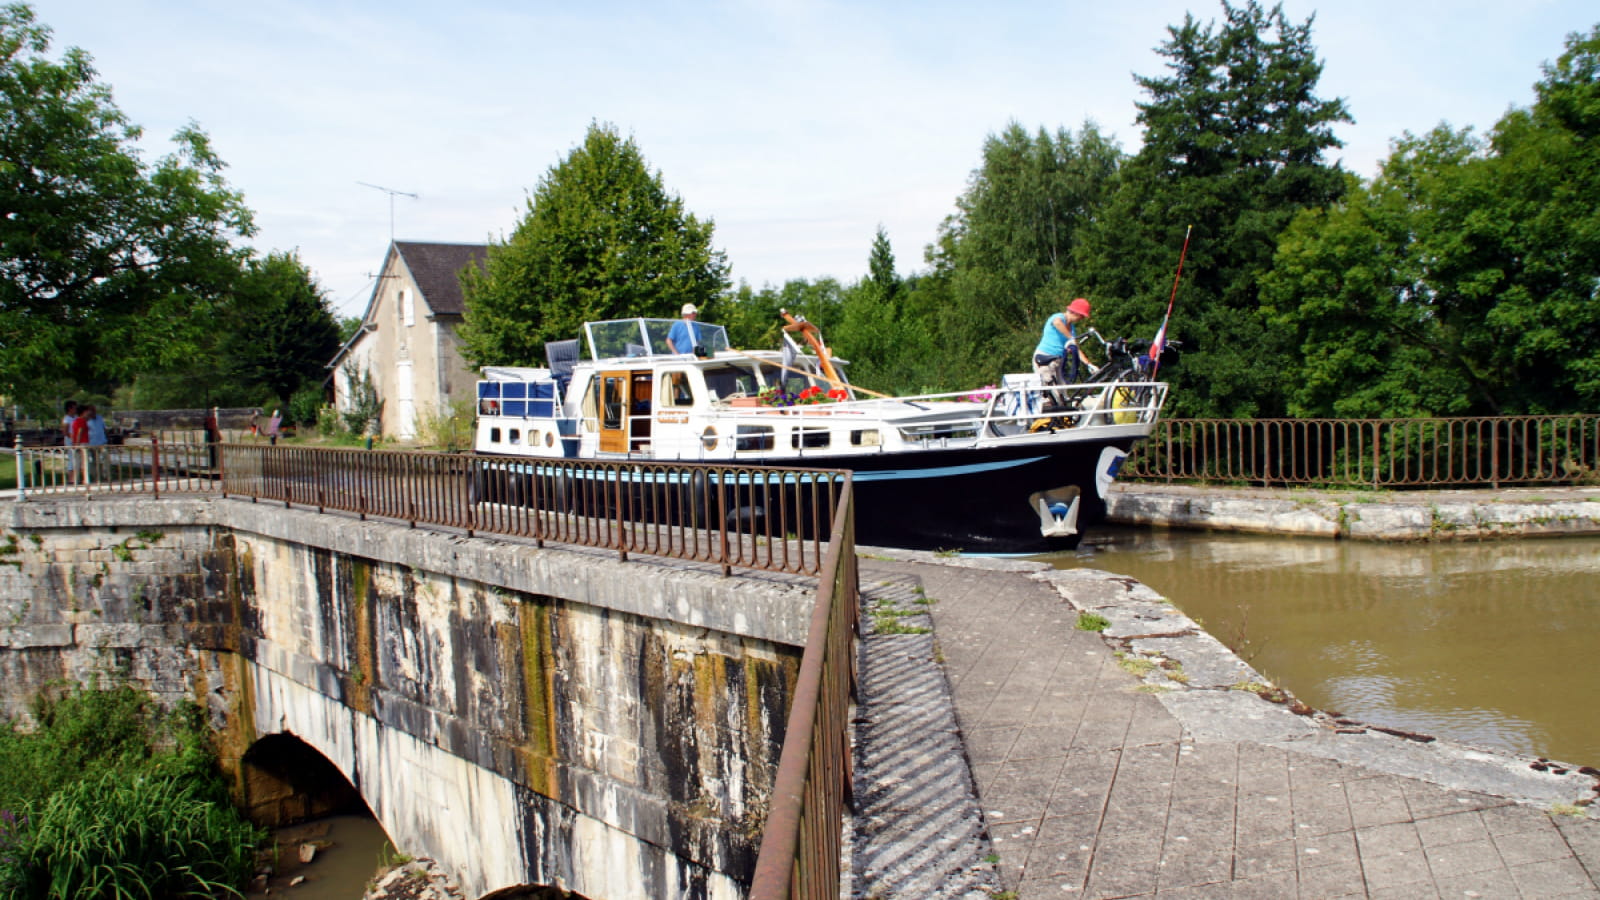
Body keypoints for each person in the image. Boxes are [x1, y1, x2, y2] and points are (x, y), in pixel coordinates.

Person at [1033, 297, 1095, 410]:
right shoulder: (1059, 317)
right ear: (1075, 313)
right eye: (1081, 316)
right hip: (1045, 359)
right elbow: (1057, 323)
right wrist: (1070, 338)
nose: (1081, 319)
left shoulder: (1071, 328)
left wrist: (1088, 364)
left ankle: (1062, 419)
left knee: (1063, 391)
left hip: (1058, 361)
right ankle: (1047, 419)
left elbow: (1076, 348)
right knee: (1052, 392)